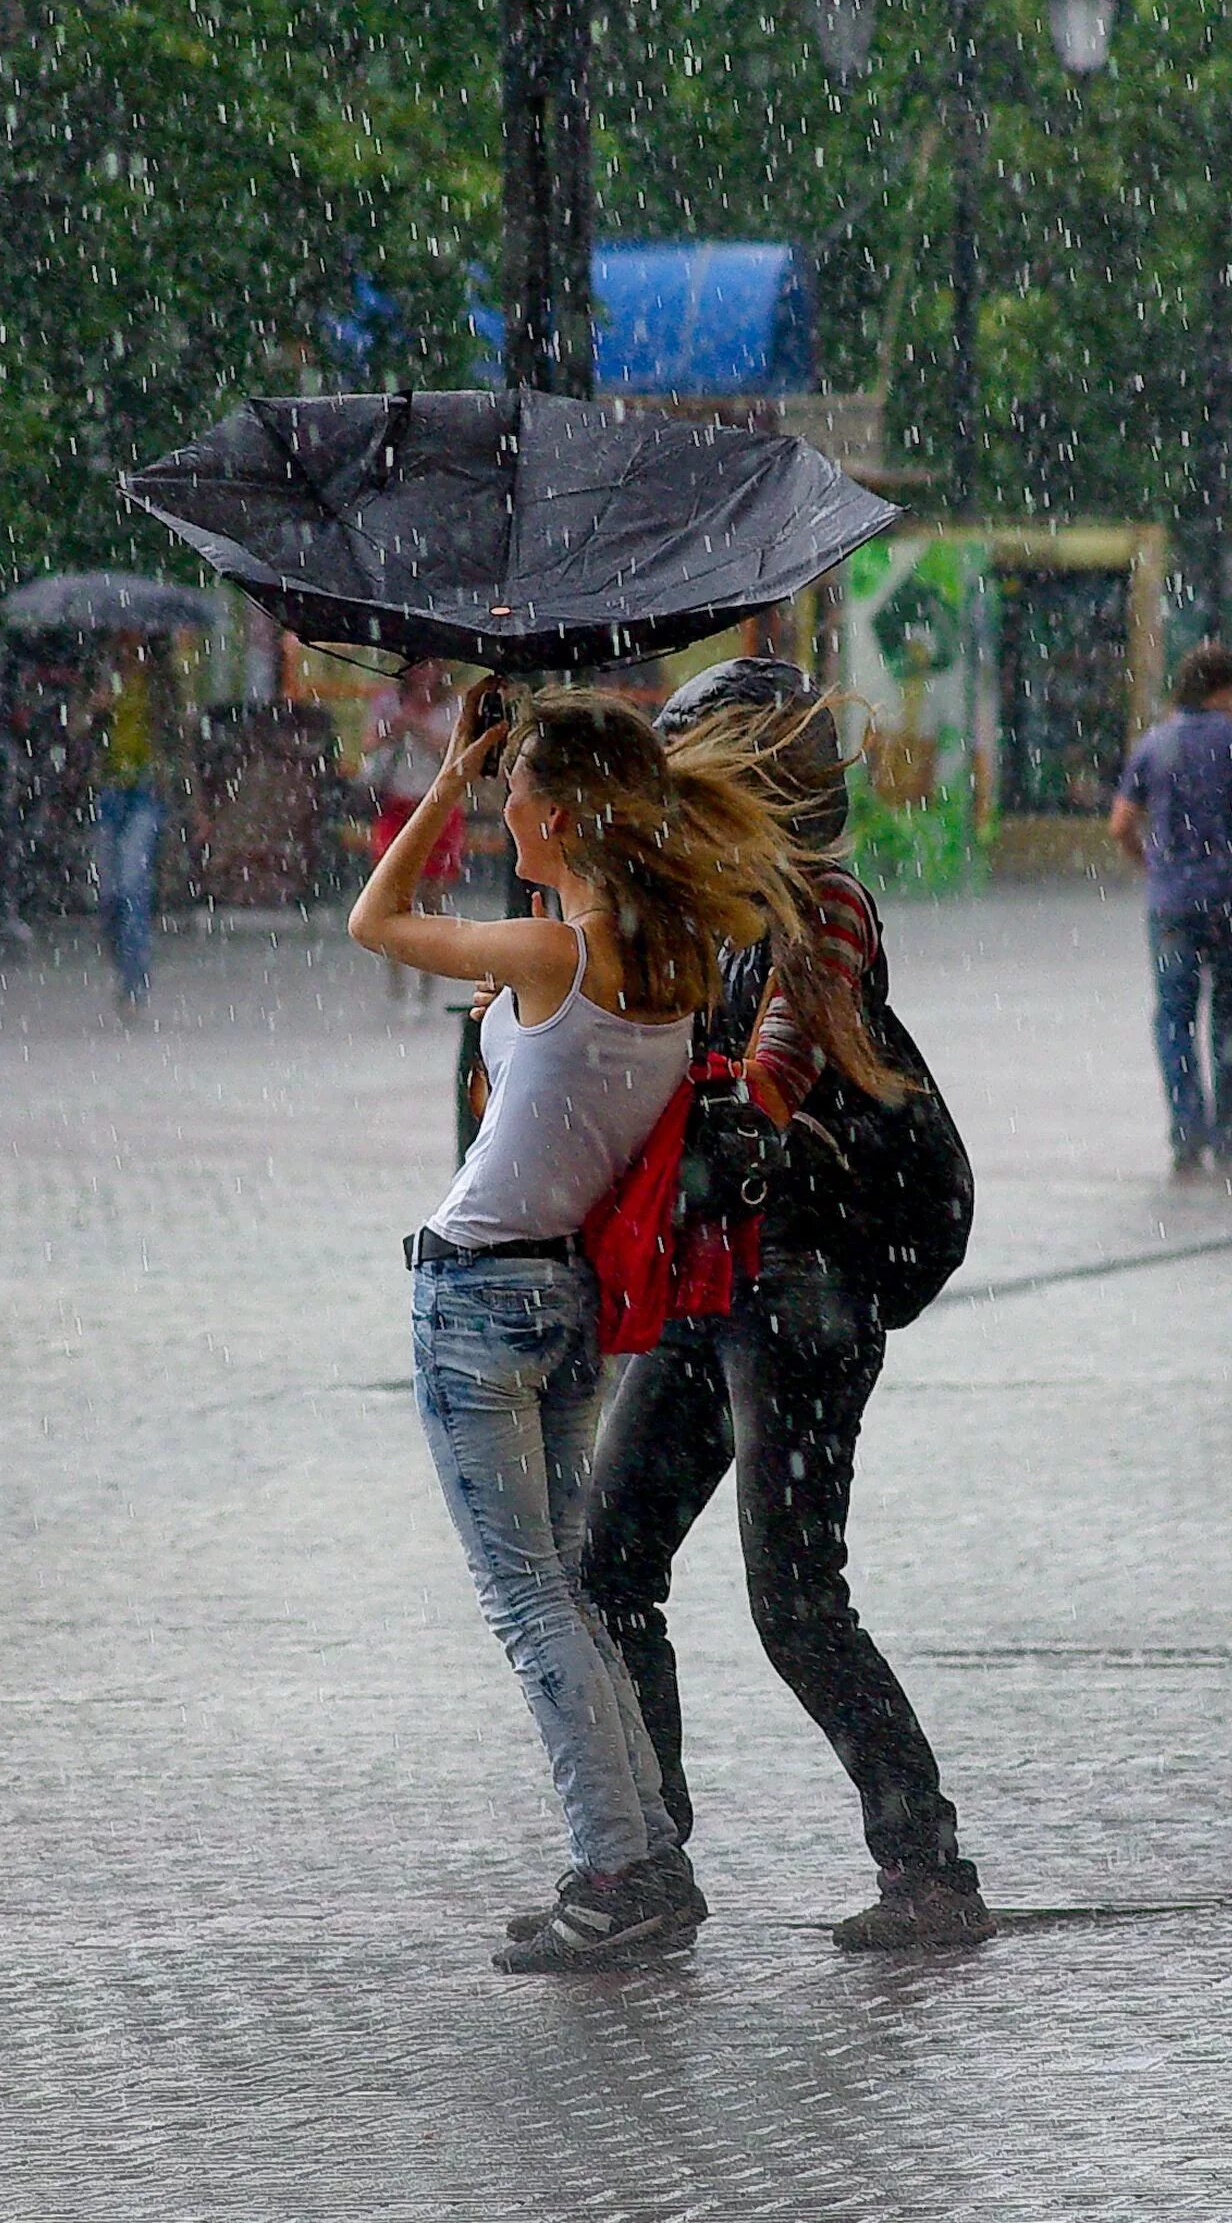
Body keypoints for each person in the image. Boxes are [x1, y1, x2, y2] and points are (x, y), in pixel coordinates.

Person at [351, 678, 825, 1973]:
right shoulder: (666, 961)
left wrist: (438, 780)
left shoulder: (558, 956)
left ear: (558, 813)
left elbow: (372, 918)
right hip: (566, 1299)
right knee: (567, 1590)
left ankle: (617, 1866)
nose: (501, 811)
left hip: (477, 1291)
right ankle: (645, 1856)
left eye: (512, 796)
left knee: (527, 1601)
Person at [579, 656, 994, 1955]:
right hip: (716, 1293)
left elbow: (787, 1051)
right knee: (610, 1565)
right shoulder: (699, 910)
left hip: (801, 1301)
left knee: (797, 1598)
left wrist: (741, 1116)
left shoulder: (823, 909)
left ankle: (929, 1867)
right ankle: (648, 1859)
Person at [1109, 642, 1232, 1174]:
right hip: (1231, 896)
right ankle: (1229, 1127)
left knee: (1175, 1016)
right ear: (1226, 688)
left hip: (1171, 901)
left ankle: (1186, 1129)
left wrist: (1152, 864)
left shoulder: (1154, 746)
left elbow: (1119, 824)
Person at [90, 632, 182, 1019]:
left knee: (133, 885)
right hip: (109, 790)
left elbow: (180, 739)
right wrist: (96, 709)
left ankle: (135, 982)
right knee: (109, 893)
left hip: (145, 791)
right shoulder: (102, 678)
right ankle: (122, 963)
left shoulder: (160, 685)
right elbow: (77, 729)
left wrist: (189, 801)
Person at [360, 660, 465, 997]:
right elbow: (367, 744)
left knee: (432, 894)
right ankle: (396, 976)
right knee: (391, 890)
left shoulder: (452, 707)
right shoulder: (387, 703)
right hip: (396, 803)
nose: (423, 675)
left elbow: (455, 755)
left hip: (436, 804)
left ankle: (427, 978)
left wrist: (418, 728)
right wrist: (392, 729)